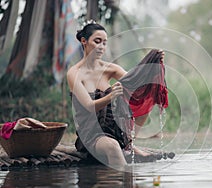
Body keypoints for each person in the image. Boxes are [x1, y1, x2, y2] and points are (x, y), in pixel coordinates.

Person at [67, 22, 167, 169]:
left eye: (105, 43)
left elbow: (137, 83)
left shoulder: (110, 69)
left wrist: (153, 62)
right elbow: (88, 106)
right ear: (84, 41)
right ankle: (121, 186)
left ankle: (129, 144)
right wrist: (111, 96)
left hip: (115, 128)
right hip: (92, 133)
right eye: (97, 41)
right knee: (112, 147)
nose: (101, 46)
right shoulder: (74, 73)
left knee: (145, 98)